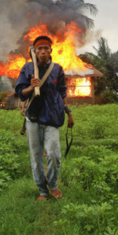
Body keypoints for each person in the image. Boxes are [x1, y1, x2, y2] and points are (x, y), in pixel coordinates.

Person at [16, 35, 74, 201]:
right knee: (36, 157)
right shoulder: (27, 68)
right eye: (39, 49)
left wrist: (68, 112)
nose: (42, 51)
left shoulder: (57, 69)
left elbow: (62, 92)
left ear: (50, 51)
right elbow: (20, 92)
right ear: (34, 51)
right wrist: (30, 87)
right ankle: (42, 190)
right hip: (33, 118)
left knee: (54, 154)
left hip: (51, 117)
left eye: (45, 48)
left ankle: (53, 184)